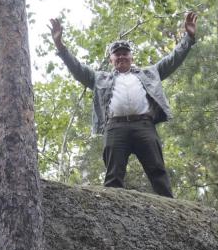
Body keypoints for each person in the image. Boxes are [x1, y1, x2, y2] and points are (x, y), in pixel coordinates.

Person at [49, 12, 198, 197]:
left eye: (125, 54)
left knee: (157, 170)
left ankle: (172, 208)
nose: (121, 57)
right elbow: (77, 68)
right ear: (111, 60)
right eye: (117, 55)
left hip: (144, 125)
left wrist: (189, 37)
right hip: (115, 127)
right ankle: (110, 210)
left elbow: (173, 59)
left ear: (131, 57)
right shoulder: (100, 78)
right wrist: (60, 46)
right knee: (113, 176)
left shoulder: (150, 73)